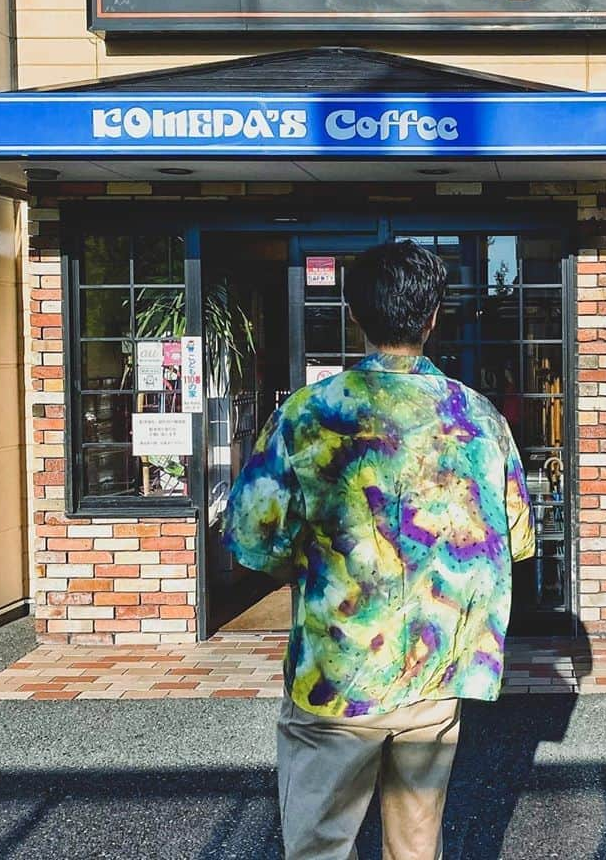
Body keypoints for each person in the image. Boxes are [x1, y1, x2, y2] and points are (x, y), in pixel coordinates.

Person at [222, 239, 535, 860]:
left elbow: (253, 545)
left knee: (319, 845)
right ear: (433, 316)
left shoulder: (308, 414)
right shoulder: (478, 418)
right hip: (436, 670)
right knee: (417, 847)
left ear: (354, 314)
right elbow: (516, 539)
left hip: (336, 677)